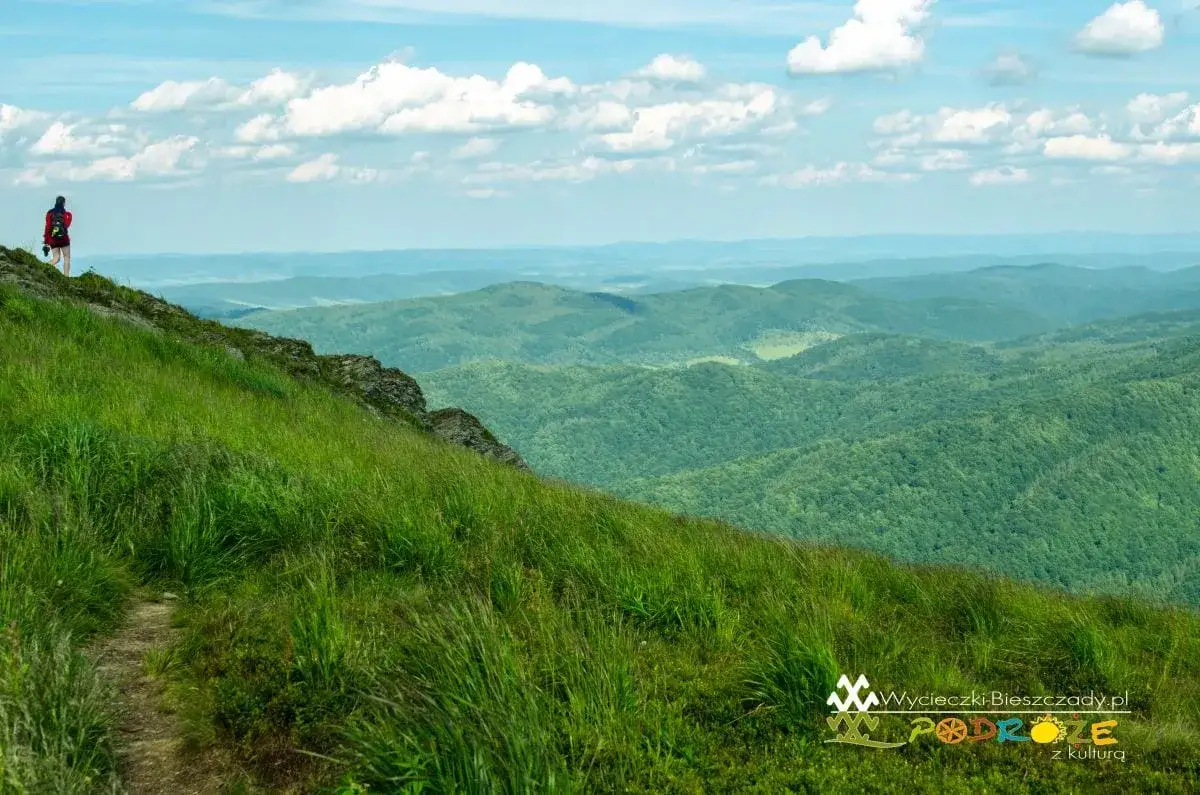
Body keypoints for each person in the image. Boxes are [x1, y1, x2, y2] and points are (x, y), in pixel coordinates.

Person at [42, 196, 73, 277]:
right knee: (66, 257)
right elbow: (66, 225)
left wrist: (46, 240)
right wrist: (70, 216)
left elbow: (48, 227)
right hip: (64, 239)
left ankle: (42, 268)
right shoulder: (65, 214)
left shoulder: (50, 213)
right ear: (63, 203)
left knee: (56, 258)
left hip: (53, 239)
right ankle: (66, 277)